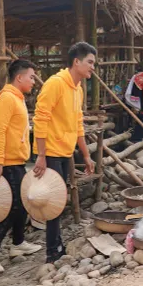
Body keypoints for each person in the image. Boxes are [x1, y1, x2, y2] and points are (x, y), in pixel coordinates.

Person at [0, 59, 41, 272]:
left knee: (23, 203)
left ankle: (18, 243)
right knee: (14, 206)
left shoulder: (17, 97)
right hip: (8, 162)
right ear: (19, 77)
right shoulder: (6, 98)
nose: (33, 81)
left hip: (17, 159)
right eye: (31, 77)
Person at [32, 42, 96, 263]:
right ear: (76, 62)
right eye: (90, 62)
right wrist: (40, 155)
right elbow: (40, 118)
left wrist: (86, 155)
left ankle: (56, 246)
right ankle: (52, 252)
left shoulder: (77, 88)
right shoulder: (55, 84)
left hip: (65, 150)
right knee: (54, 201)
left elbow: (78, 123)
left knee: (59, 200)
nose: (92, 67)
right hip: (50, 151)